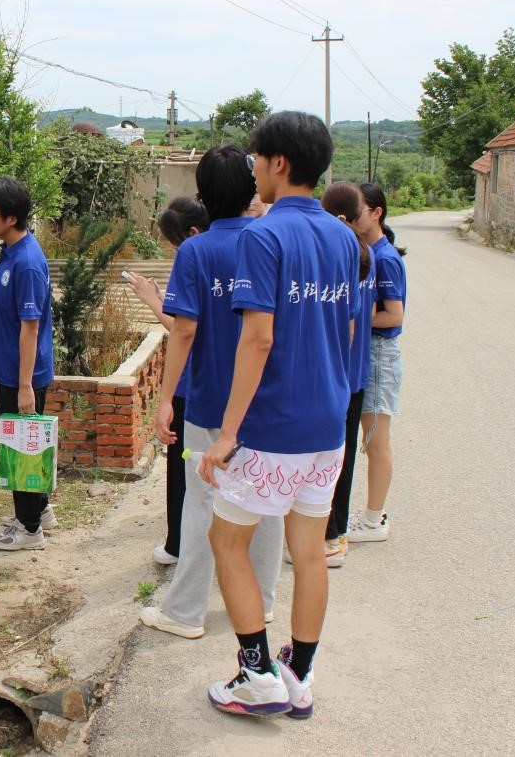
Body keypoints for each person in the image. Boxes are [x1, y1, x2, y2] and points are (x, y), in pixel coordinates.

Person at [197, 111, 359, 718]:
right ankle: (299, 672)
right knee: (310, 549)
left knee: (227, 540)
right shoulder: (344, 239)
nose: (254, 170)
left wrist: (228, 434)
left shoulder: (262, 238)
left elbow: (258, 339)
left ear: (279, 163)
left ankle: (257, 674)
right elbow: (346, 329)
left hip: (273, 426)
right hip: (327, 424)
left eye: (257, 159)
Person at [141, 147, 282, 639]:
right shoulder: (271, 240)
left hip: (208, 402)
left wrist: (165, 399)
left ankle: (185, 612)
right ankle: (262, 601)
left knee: (203, 502)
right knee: (263, 499)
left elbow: (183, 331)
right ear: (250, 189)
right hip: (263, 400)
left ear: (202, 196)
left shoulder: (197, 251)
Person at [126, 196, 208, 566]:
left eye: (176, 242)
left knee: (182, 461)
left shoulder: (193, 257)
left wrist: (150, 300)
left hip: (192, 380)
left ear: (192, 232)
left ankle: (178, 544)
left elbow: (181, 328)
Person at [0, 176, 56, 551]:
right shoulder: (10, 251)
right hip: (12, 371)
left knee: (22, 448)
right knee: (23, 444)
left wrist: (25, 386)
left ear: (11, 218)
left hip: (23, 375)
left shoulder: (26, 263)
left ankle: (29, 531)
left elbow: (31, 327)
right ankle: (39, 511)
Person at [317, 182, 375, 568]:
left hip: (332, 372)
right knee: (344, 456)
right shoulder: (365, 252)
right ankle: (336, 534)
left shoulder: (332, 253)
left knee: (324, 459)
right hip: (353, 373)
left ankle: (326, 536)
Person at [348, 182, 407, 544]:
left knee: (376, 441)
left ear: (377, 213)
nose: (351, 218)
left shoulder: (384, 258)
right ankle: (372, 514)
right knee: (370, 439)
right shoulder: (369, 252)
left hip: (379, 353)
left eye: (357, 211)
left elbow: (395, 315)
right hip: (368, 351)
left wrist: (359, 317)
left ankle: (373, 520)